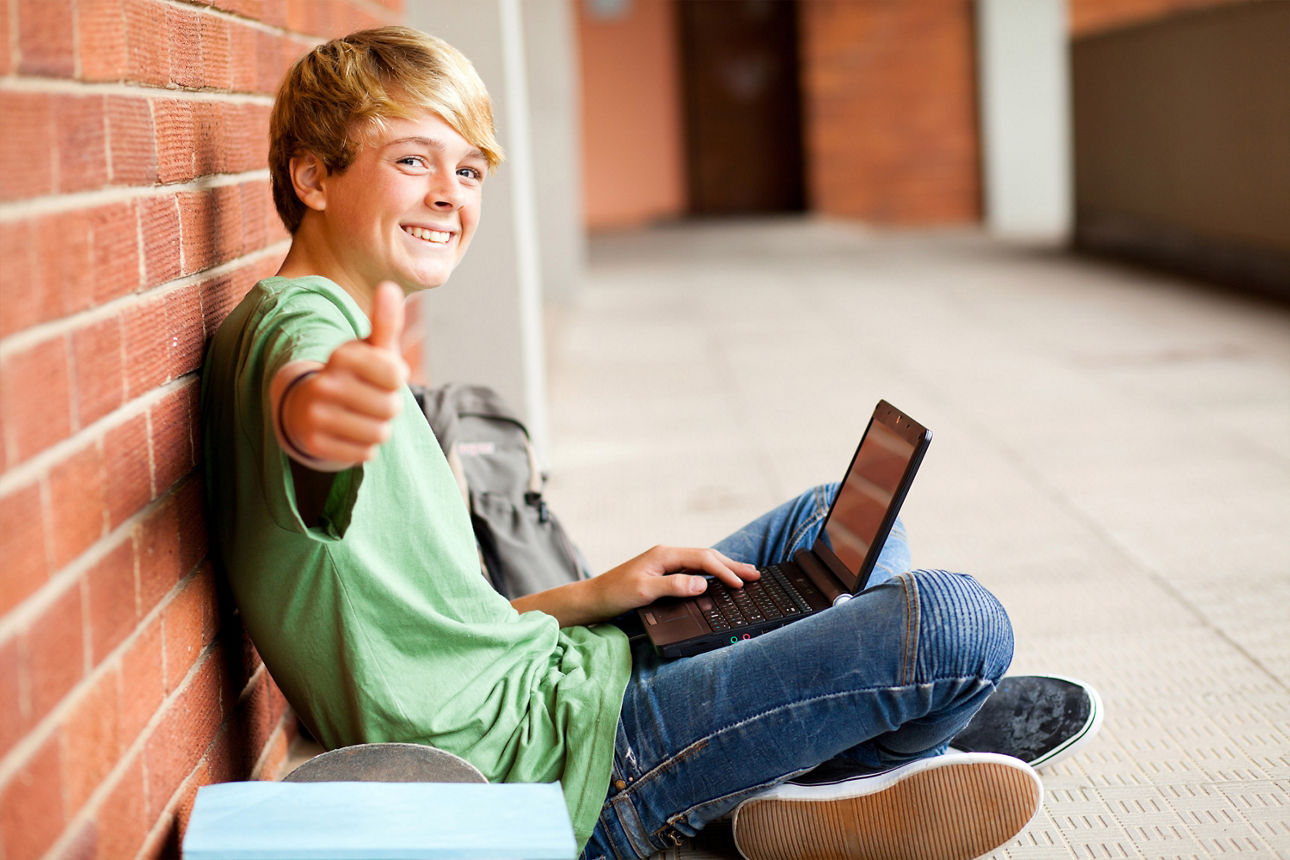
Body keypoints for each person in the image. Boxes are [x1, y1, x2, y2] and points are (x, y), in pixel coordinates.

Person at [202, 26, 1098, 860]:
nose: (450, 194)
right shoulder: (303, 335)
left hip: (562, 680)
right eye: (413, 161)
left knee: (829, 520)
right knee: (957, 622)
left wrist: (597, 593)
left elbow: (434, 637)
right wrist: (322, 421)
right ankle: (837, 768)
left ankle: (835, 757)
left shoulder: (325, 321)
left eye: (470, 171)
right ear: (314, 177)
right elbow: (310, 417)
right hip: (568, 775)